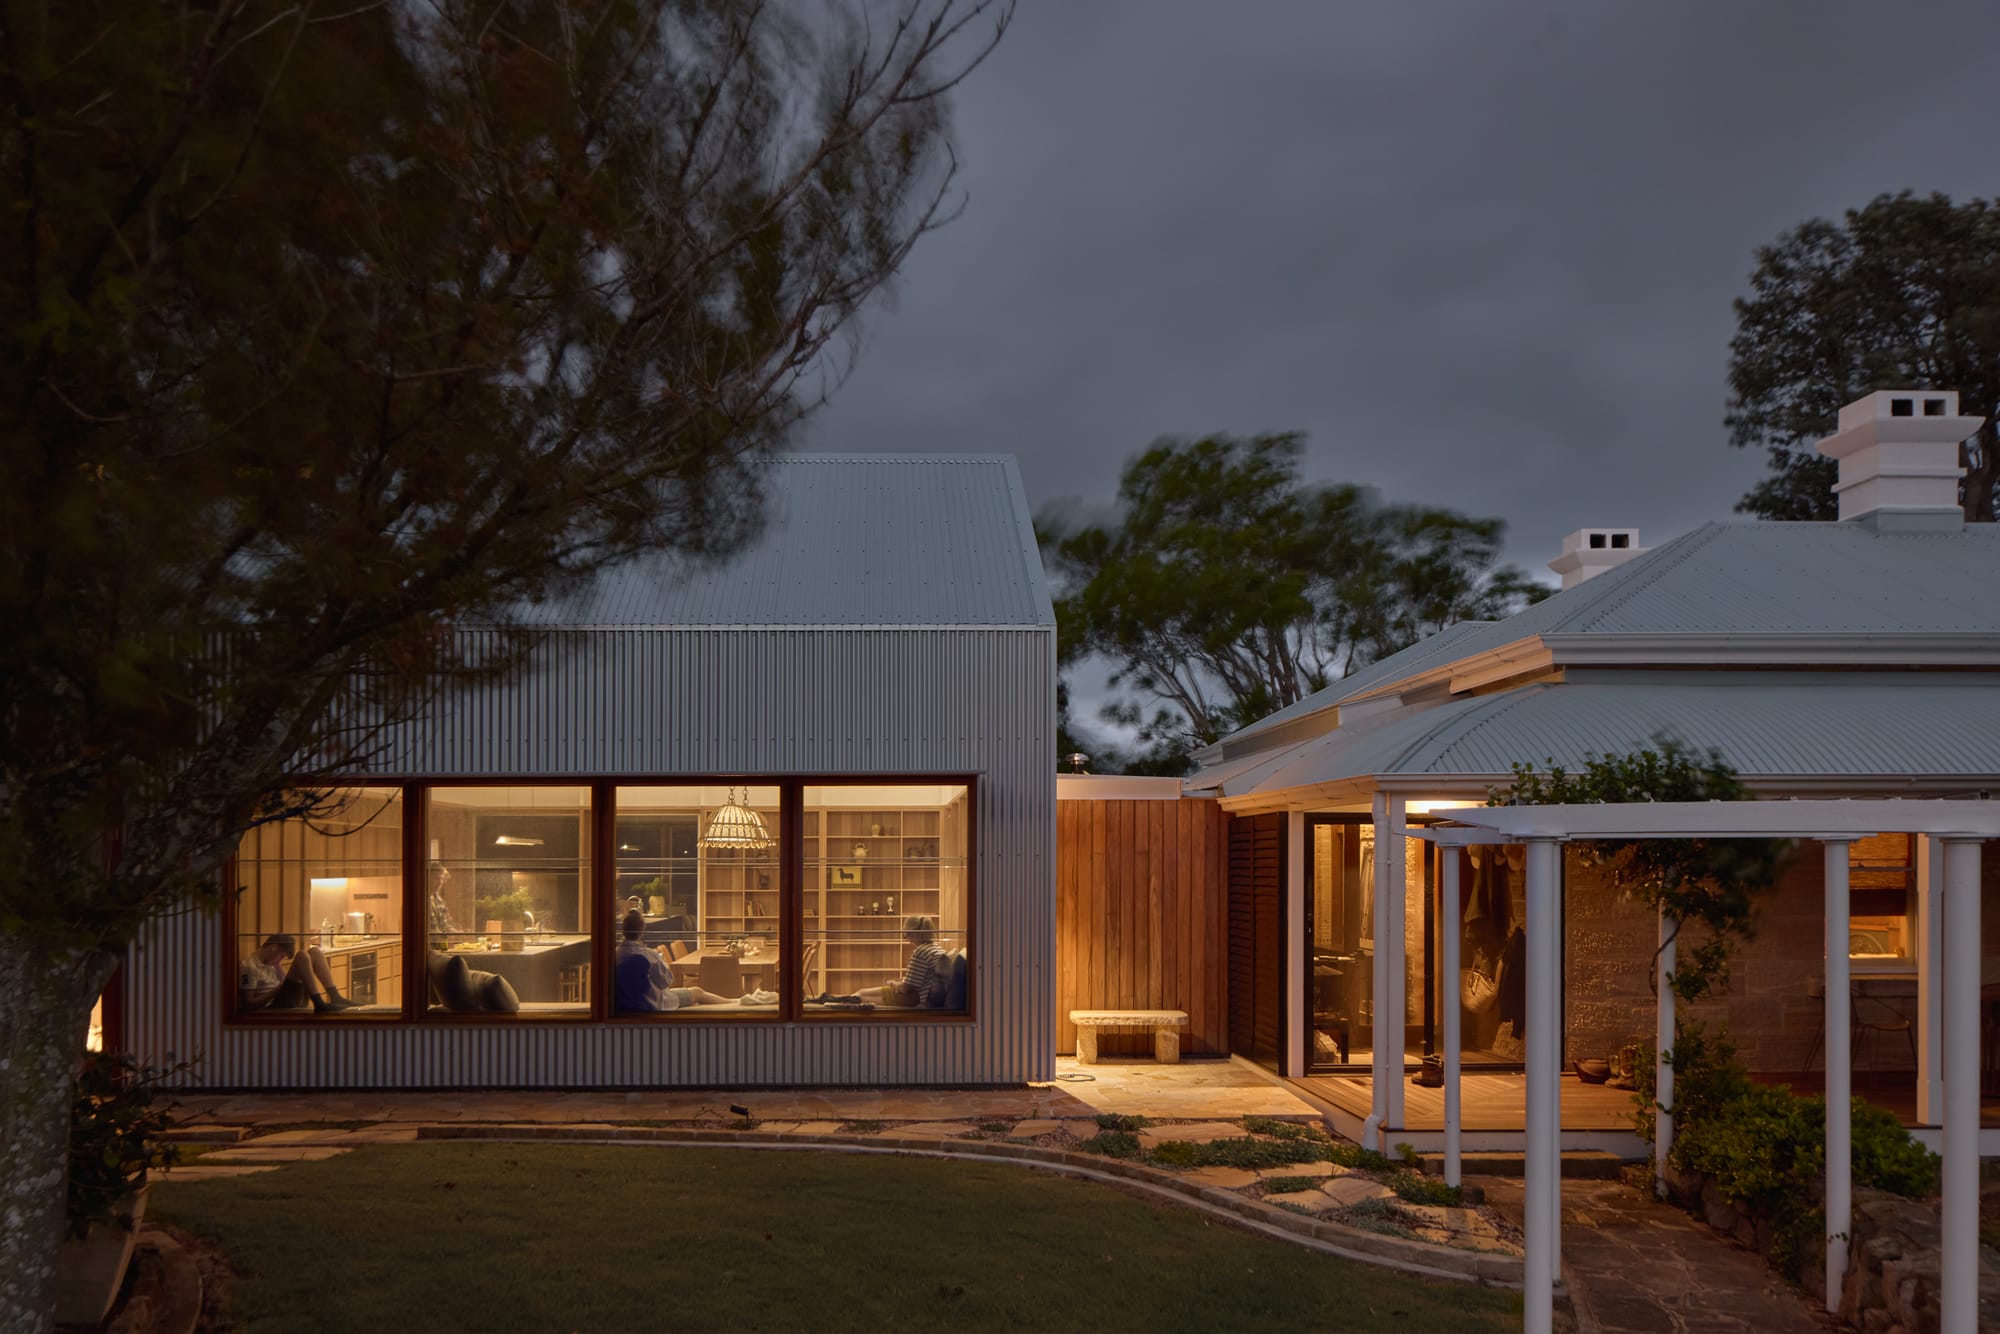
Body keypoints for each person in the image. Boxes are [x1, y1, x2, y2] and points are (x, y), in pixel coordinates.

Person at [613, 910, 730, 1011]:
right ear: (642, 929)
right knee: (697, 992)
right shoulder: (649, 955)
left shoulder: (615, 954)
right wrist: (663, 964)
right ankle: (733, 1005)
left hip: (626, 1005)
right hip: (654, 1004)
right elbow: (666, 982)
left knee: (692, 997)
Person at [239, 934, 356, 1013]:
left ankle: (335, 996)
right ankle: (318, 1003)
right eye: (282, 956)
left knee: (315, 952)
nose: (281, 960)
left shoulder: (272, 962)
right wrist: (274, 992)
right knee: (302, 956)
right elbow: (249, 1004)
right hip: (273, 1006)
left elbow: (287, 984)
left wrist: (277, 966)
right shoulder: (250, 967)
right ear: (273, 948)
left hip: (284, 998)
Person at [855, 915, 947, 1007]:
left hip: (914, 998)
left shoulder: (921, 952)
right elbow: (919, 980)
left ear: (914, 933)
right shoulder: (937, 948)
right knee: (861, 993)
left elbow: (905, 989)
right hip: (923, 996)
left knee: (861, 996)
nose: (907, 939)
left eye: (907, 934)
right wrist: (903, 981)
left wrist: (893, 983)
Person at [427, 863, 460, 943]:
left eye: (441, 879)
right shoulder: (419, 901)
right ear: (428, 878)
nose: (440, 882)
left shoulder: (439, 901)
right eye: (436, 878)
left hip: (440, 947)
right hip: (426, 948)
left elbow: (446, 926)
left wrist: (460, 934)